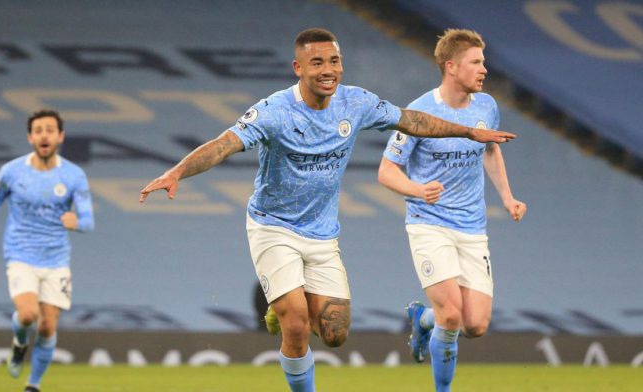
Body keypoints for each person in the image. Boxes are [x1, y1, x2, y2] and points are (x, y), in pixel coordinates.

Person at [139, 28, 515, 392]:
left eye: (334, 61)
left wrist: (467, 132)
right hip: (274, 227)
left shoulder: (356, 103)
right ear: (298, 68)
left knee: (335, 333)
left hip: (322, 234)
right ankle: (288, 315)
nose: (328, 70)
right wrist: (177, 172)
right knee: (297, 324)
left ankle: (287, 307)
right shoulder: (275, 111)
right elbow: (224, 144)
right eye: (317, 62)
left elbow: (410, 120)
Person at [378, 29, 527, 391]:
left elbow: (491, 150)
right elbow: (385, 171)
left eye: (483, 62)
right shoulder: (418, 113)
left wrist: (507, 196)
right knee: (452, 315)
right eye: (476, 62)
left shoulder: (485, 107)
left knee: (474, 325)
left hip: (472, 228)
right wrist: (417, 190)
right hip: (429, 224)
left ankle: (422, 319)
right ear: (451, 67)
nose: (484, 70)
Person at [0, 109, 94, 392]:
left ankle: (32, 385)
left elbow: (88, 221)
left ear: (60, 136)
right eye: (38, 130)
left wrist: (77, 223)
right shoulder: (12, 172)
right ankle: (20, 342)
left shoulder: (73, 175)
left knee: (47, 327)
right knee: (27, 315)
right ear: (30, 137)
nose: (44, 135)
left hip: (57, 259)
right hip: (20, 254)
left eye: (49, 129)